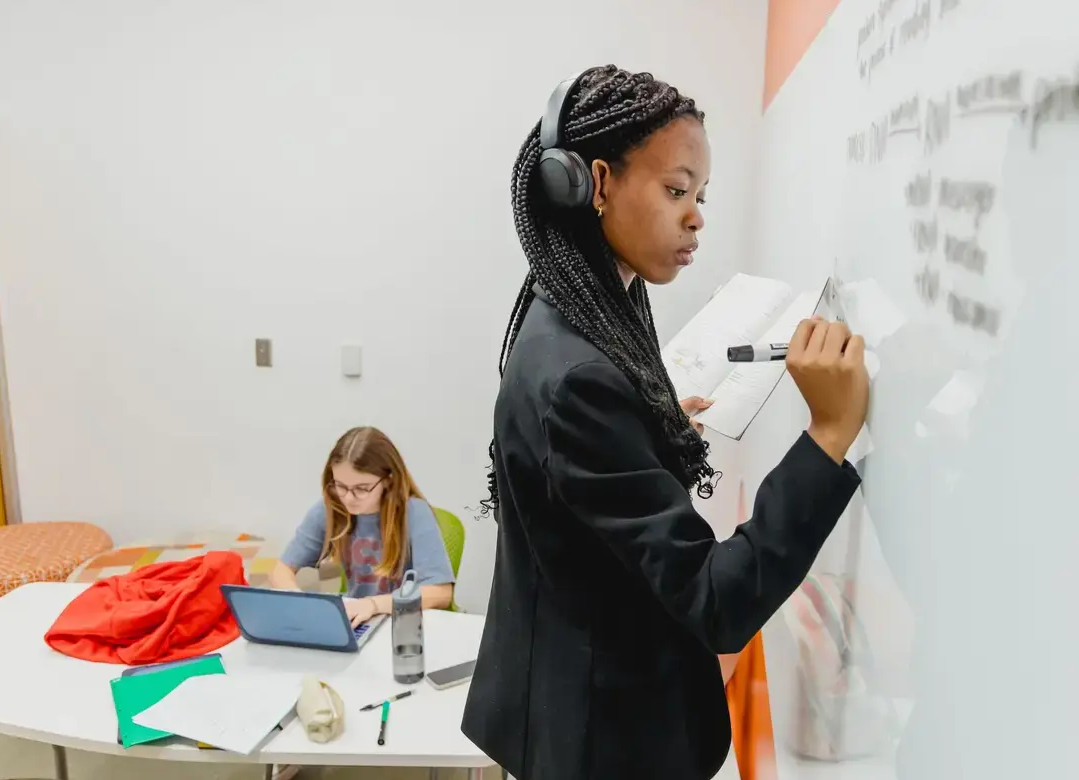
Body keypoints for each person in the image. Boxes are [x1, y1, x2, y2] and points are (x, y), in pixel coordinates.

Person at [460, 65, 870, 780]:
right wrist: (827, 437)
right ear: (595, 182)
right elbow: (715, 599)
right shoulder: (580, 376)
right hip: (599, 743)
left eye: (701, 196)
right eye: (677, 190)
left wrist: (645, 429)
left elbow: (573, 484)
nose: (697, 217)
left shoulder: (568, 301)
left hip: (563, 705)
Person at [270, 426, 455, 622]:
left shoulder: (415, 512)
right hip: (358, 620)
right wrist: (300, 602)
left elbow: (440, 592)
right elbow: (280, 571)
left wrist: (374, 604)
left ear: (388, 481)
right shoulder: (331, 508)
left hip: (404, 624)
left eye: (362, 488)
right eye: (340, 486)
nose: (348, 498)